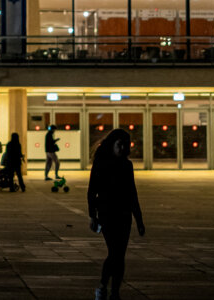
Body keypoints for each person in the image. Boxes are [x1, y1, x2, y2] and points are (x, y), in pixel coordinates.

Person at [88, 129, 145, 300]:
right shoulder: (101, 164)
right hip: (107, 213)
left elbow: (132, 193)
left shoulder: (127, 166)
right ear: (111, 145)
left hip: (124, 214)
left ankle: (114, 291)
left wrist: (139, 220)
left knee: (119, 255)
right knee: (115, 253)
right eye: (119, 144)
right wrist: (93, 215)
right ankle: (103, 286)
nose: (122, 148)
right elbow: (92, 191)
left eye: (125, 145)